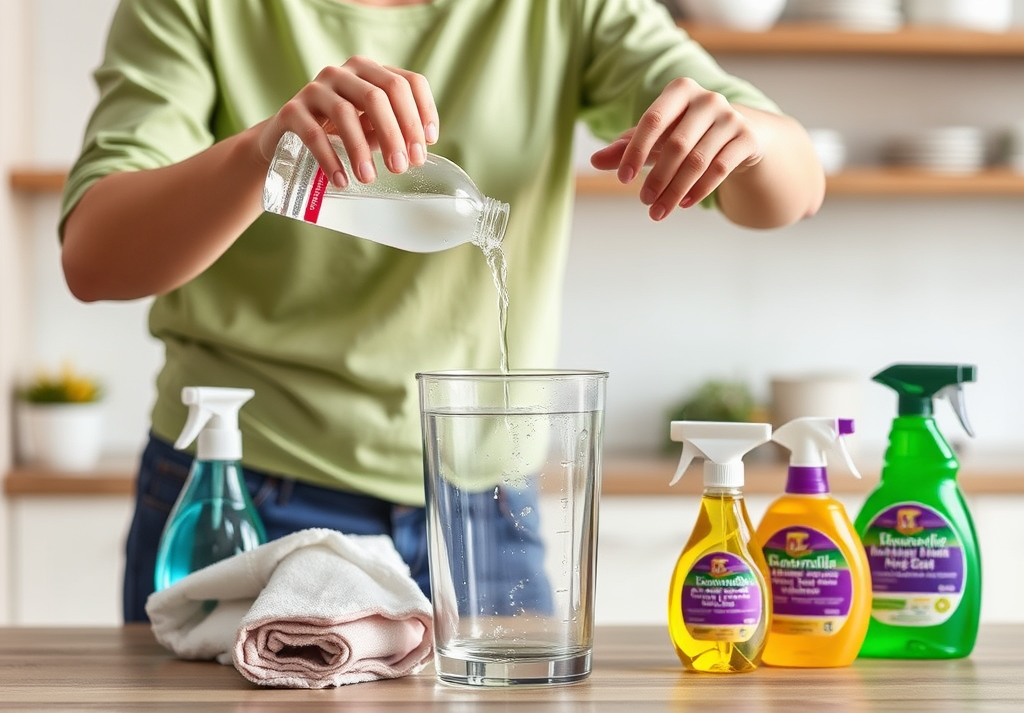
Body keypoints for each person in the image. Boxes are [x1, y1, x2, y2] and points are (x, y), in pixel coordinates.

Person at [59, 0, 825, 623]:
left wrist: (747, 136)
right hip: (246, 496)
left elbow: (791, 190)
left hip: (489, 509)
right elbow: (94, 258)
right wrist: (261, 153)